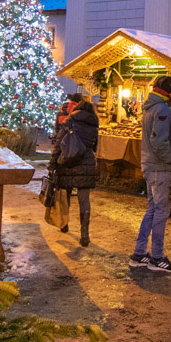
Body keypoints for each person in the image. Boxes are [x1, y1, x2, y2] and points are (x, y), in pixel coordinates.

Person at [131, 75, 171, 274]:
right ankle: (157, 257)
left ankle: (140, 253)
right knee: (161, 210)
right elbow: (159, 142)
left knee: (152, 208)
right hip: (159, 168)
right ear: (169, 90)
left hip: (151, 166)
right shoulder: (162, 110)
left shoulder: (151, 108)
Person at [50, 94, 99, 246]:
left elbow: (59, 143)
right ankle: (85, 234)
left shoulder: (69, 121)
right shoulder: (94, 124)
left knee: (65, 195)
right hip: (86, 163)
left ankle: (64, 224)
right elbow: (95, 146)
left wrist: (52, 164)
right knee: (84, 199)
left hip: (67, 161)